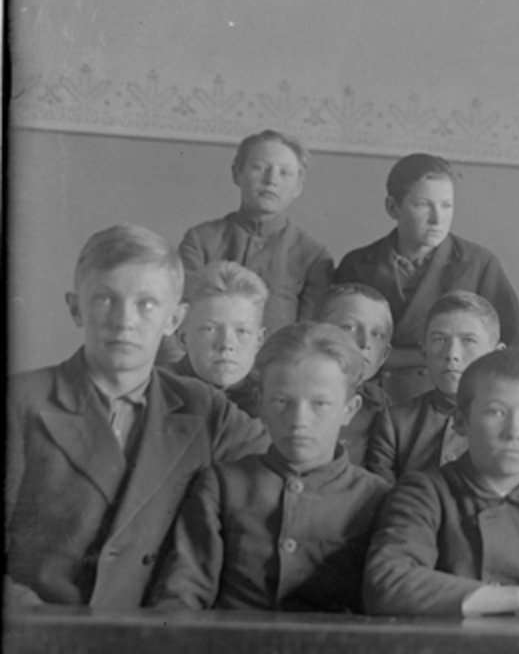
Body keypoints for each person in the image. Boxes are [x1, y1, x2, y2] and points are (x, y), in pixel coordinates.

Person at [5, 225, 266, 609]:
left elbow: (290, 468)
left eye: (146, 304)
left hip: (155, 630)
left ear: (175, 320)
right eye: (105, 299)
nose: (124, 320)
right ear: (75, 308)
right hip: (42, 627)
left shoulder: (204, 407)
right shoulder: (20, 401)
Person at [148, 322, 390, 612]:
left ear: (349, 410)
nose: (299, 420)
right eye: (281, 401)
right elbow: (183, 592)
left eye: (319, 404)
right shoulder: (223, 485)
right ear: (260, 403)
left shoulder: (375, 497)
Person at [364, 349, 519, 618]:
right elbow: (388, 582)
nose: (514, 432)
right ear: (460, 422)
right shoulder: (424, 493)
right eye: (496, 412)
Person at [333, 153, 519, 403]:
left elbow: (516, 352)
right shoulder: (357, 264)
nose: (438, 218)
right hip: (367, 398)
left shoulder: (478, 264)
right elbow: (332, 345)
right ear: (393, 207)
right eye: (423, 205)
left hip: (445, 403)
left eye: (446, 205)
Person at [175, 129, 332, 340]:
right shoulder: (201, 240)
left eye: (284, 173)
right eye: (259, 168)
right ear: (236, 173)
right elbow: (179, 318)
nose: (271, 180)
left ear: (298, 187)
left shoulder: (313, 255)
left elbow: (311, 336)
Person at [366, 290, 503, 483]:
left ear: (496, 355)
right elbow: (382, 493)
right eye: (439, 339)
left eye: (468, 341)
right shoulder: (396, 423)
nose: (452, 354)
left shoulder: (516, 422)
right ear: (424, 352)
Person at [169, 260, 269, 417]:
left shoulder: (273, 399)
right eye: (210, 329)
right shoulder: (156, 395)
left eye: (242, 331)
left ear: (259, 340)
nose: (226, 344)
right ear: (182, 338)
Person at [313, 282, 395, 469]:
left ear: (384, 355)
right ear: (315, 332)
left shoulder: (379, 405)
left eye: (378, 334)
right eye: (349, 327)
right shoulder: (284, 390)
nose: (365, 343)